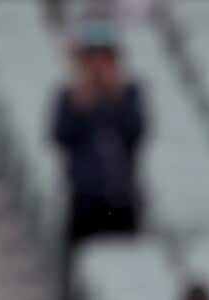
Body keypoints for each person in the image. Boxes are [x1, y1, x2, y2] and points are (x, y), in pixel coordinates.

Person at [51, 18, 147, 249]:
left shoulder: (129, 94)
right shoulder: (69, 97)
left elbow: (136, 133)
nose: (97, 63)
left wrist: (116, 96)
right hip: (84, 198)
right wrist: (81, 101)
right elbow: (60, 136)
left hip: (121, 198)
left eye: (104, 56)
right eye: (91, 56)